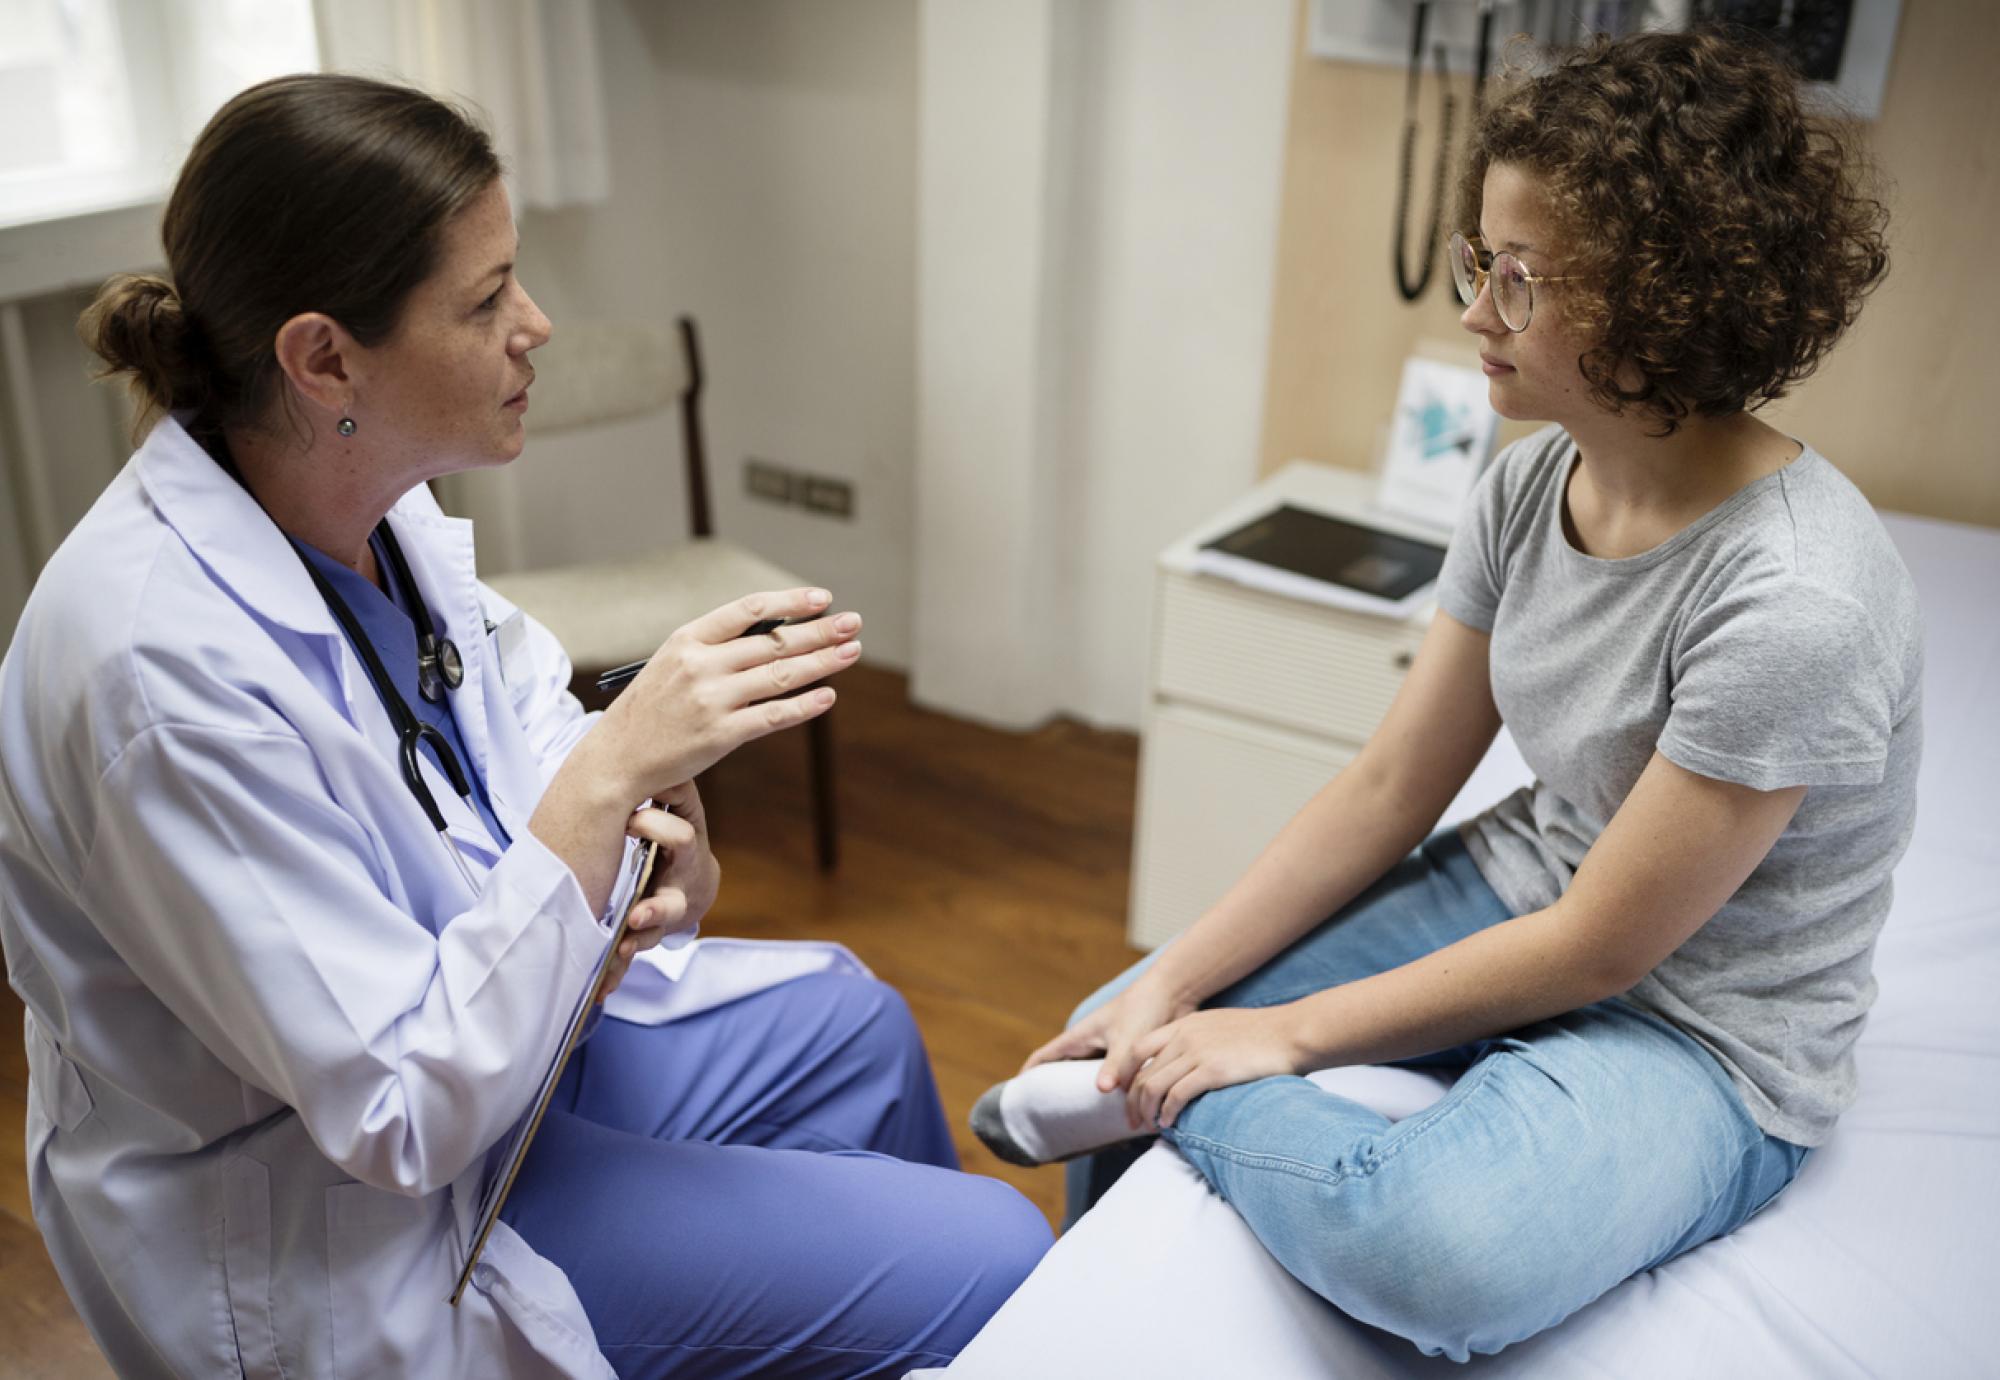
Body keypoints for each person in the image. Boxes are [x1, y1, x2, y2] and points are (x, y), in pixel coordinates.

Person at [0, 74, 1047, 1379]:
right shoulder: (154, 677)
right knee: (998, 1253)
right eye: (487, 299)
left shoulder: (361, 510)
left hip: (506, 1075)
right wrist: (613, 775)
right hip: (357, 1217)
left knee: (859, 1027)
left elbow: (519, 719)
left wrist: (658, 831)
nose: (536, 326)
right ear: (325, 357)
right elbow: (394, 1110)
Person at [974, 26, 1912, 1362]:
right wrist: (1179, 981)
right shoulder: (1529, 487)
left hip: (1706, 1027)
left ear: (1667, 297)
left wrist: (1276, 1038)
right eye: (1480, 261)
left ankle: (1169, 1103)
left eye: (1517, 280)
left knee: (1433, 1249)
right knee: (1124, 1021)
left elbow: (1606, 950)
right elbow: (1390, 782)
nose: (1473, 313)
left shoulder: (1796, 601)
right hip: (1535, 886)